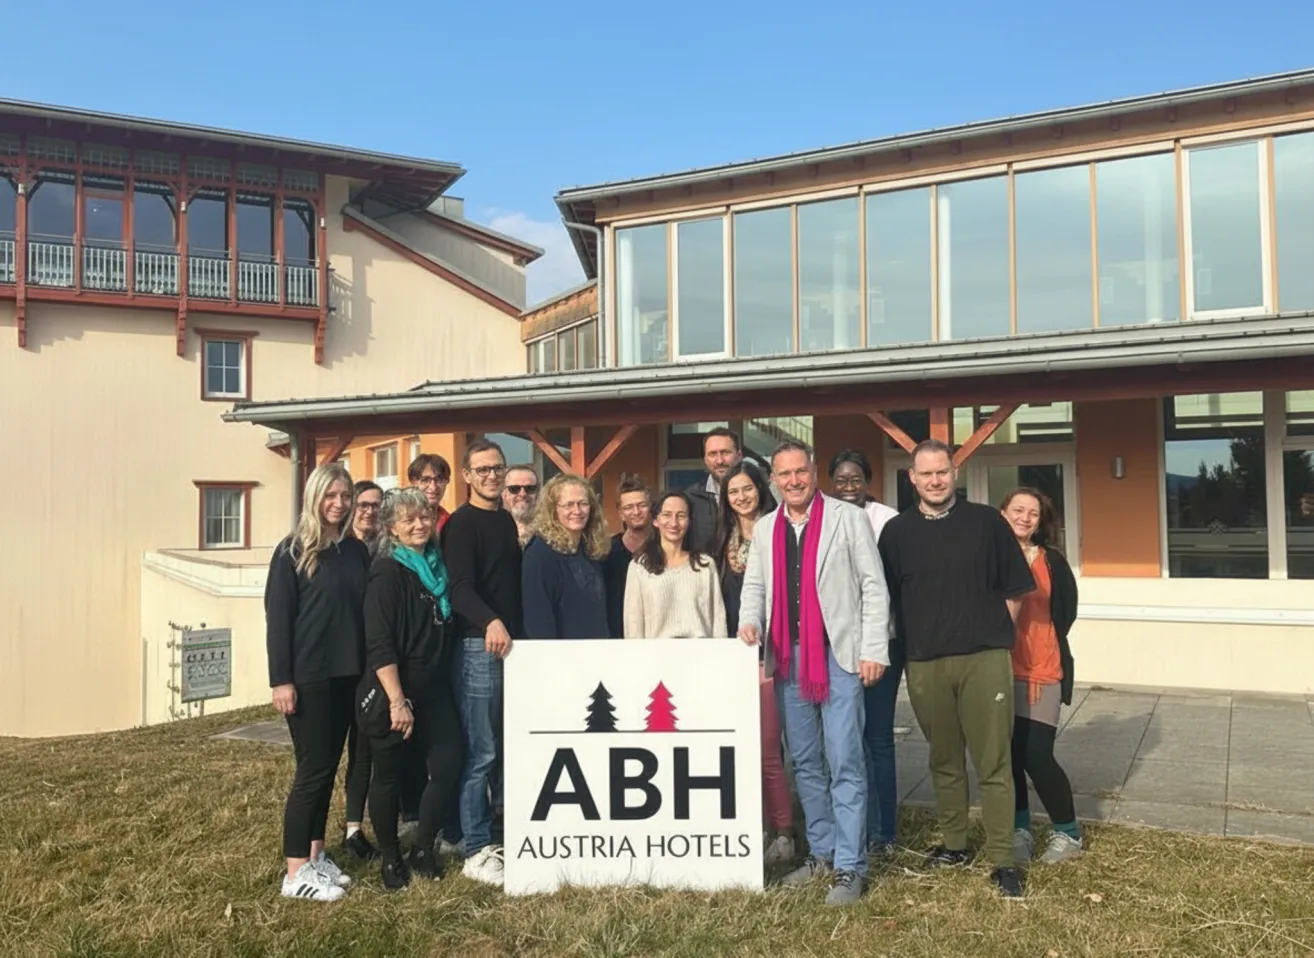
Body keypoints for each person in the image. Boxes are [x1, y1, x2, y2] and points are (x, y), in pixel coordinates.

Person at [877, 439, 1035, 899]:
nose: (935, 481)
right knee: (943, 759)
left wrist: (993, 637)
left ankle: (1003, 858)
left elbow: (1015, 589)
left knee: (994, 762)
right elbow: (882, 599)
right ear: (912, 478)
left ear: (954, 472)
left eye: (942, 472)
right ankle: (955, 843)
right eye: (925, 474)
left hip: (984, 659)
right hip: (924, 662)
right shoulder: (897, 533)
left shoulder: (987, 522)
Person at [738, 441, 891, 907]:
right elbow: (756, 584)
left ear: (813, 471)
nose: (793, 481)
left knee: (844, 758)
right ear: (775, 482)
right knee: (804, 760)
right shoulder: (766, 528)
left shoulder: (848, 519)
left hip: (838, 656)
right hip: (788, 658)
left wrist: (873, 650)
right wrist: (750, 620)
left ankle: (849, 866)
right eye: (783, 475)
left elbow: (873, 586)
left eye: (799, 472)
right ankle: (822, 852)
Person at [264, 463, 370, 902]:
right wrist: (281, 680)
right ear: (314, 496)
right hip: (309, 679)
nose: (339, 503)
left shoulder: (354, 551)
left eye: (345, 495)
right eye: (331, 495)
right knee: (312, 772)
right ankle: (295, 873)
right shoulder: (291, 551)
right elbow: (278, 620)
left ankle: (315, 855)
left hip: (350, 674)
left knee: (328, 771)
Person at [361, 487, 464, 890]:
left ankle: (423, 848)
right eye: (409, 520)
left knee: (448, 763)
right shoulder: (388, 573)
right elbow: (379, 642)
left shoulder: (439, 568)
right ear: (392, 529)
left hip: (434, 689)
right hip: (393, 691)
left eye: (424, 517)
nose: (419, 525)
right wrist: (396, 700)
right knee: (387, 776)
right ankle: (391, 857)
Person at [441, 439, 522, 886]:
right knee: (482, 750)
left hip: (510, 649)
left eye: (498, 469)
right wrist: (490, 621)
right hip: (478, 648)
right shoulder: (461, 525)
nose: (492, 476)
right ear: (468, 476)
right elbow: (460, 588)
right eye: (483, 469)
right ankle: (474, 847)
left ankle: (495, 832)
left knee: (505, 746)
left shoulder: (506, 521)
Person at [714, 461, 795, 867]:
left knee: (768, 748)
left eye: (747, 489)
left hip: (770, 654)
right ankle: (750, 825)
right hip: (730, 656)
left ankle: (783, 832)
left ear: (760, 490)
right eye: (733, 492)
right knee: (734, 748)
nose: (741, 497)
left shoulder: (778, 530)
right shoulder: (720, 538)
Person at [1000, 487, 1083, 865]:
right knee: (1008, 756)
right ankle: (1019, 828)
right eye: (1018, 510)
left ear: (1040, 521)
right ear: (1002, 513)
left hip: (1041, 669)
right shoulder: (990, 555)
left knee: (1037, 755)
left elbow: (1065, 613)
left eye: (1033, 513)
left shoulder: (1053, 562)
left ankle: (1068, 832)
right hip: (998, 668)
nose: (1025, 517)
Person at [828, 449, 902, 856]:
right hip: (838, 645)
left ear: (867, 481)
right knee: (842, 741)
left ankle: (884, 831)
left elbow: (886, 583)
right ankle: (851, 825)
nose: (848, 487)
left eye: (855, 479)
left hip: (880, 644)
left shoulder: (886, 520)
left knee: (877, 738)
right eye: (841, 479)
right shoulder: (824, 519)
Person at [342, 479, 385, 862]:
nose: (368, 511)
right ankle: (346, 827)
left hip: (374, 661)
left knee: (366, 748)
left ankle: (356, 827)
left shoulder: (385, 549)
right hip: (343, 661)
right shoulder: (340, 549)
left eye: (375, 505)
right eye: (363, 504)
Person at [624, 490, 727, 638]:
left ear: (689, 521)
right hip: (657, 657)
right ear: (655, 520)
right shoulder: (639, 568)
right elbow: (633, 626)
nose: (674, 523)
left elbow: (718, 621)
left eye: (681, 516)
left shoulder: (705, 565)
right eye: (666, 515)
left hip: (700, 656)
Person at [521, 475, 611, 640]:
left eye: (583, 504)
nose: (577, 511)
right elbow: (538, 619)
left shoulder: (591, 550)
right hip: (561, 656)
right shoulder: (540, 554)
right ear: (553, 509)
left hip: (597, 652)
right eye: (568, 505)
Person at [602, 474, 652, 638]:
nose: (636, 512)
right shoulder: (606, 552)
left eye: (641, 505)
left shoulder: (664, 548)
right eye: (629, 507)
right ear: (620, 512)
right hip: (616, 640)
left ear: (650, 507)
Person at [685, 427, 744, 553]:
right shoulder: (691, 498)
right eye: (712, 454)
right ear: (705, 459)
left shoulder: (757, 495)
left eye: (725, 452)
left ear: (739, 456)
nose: (719, 460)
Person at [409, 453, 453, 535]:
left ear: (447, 481)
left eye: (439, 480)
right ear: (413, 482)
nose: (433, 487)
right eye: (425, 480)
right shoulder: (400, 521)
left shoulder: (452, 522)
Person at [502, 464, 540, 548]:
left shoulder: (550, 533)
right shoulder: (492, 530)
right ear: (504, 494)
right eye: (514, 489)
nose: (522, 494)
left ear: (538, 494)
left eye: (530, 488)